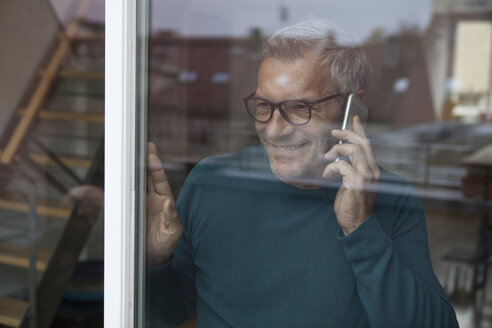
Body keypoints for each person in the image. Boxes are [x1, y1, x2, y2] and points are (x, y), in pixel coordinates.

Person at [146, 19, 459, 327]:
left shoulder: (389, 198)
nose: (274, 129)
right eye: (263, 106)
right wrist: (156, 261)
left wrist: (360, 229)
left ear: (353, 108)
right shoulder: (209, 183)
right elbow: (170, 313)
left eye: (300, 108)